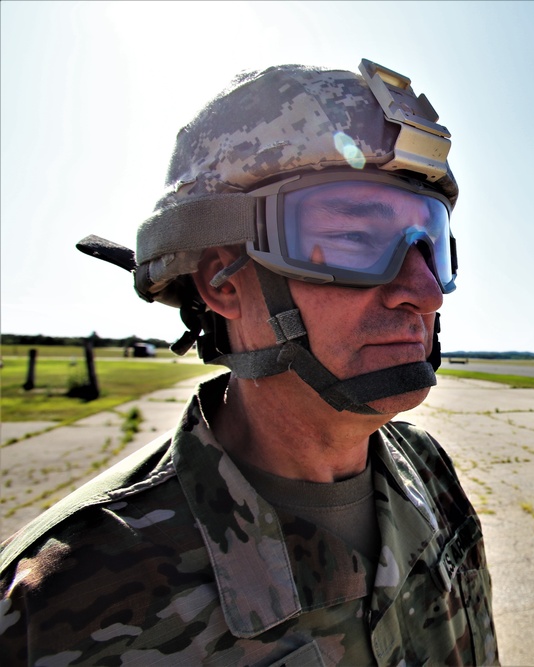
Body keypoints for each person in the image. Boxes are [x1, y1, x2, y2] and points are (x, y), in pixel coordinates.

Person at [0, 59, 498, 666]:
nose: (425, 291)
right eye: (353, 236)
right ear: (222, 282)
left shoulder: (430, 472)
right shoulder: (57, 607)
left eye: (430, 242)